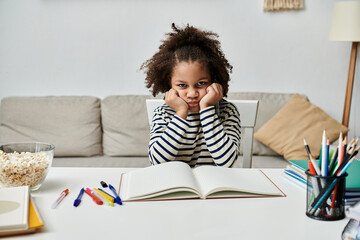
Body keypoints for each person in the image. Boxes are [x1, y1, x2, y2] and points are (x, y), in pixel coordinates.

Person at [141, 23, 241, 168]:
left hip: (213, 188)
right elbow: (157, 161)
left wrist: (206, 108)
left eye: (201, 83)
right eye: (182, 85)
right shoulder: (164, 113)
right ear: (169, 86)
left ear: (214, 80)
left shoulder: (227, 111)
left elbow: (227, 162)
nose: (192, 94)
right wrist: (181, 113)